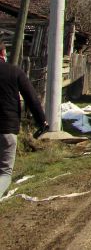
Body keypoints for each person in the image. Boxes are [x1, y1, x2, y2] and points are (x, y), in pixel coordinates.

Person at [1, 43, 47, 197]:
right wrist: (41, 121)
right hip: (7, 128)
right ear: (2, 53)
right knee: (5, 173)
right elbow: (32, 98)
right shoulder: (14, 72)